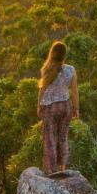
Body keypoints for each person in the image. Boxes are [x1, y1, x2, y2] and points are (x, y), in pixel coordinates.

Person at [37, 40, 79, 174]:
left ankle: (52, 170)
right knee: (63, 137)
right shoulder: (71, 69)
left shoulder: (47, 69)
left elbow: (42, 90)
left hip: (49, 107)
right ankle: (63, 168)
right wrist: (76, 108)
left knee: (50, 138)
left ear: (52, 53)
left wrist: (38, 105)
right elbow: (74, 90)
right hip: (65, 106)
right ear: (64, 54)